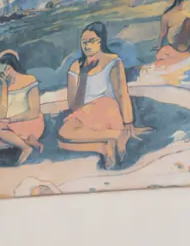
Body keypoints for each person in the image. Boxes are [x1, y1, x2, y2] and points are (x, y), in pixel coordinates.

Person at [60, 23, 147, 169]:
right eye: (84, 42)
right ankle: (104, 145)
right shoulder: (76, 66)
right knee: (62, 139)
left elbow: (122, 93)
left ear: (101, 41)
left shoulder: (112, 61)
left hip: (108, 110)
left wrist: (128, 122)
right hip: (85, 113)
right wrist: (83, 76)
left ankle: (115, 135)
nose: (87, 46)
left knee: (66, 135)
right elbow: (73, 106)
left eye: (92, 41)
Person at [0, 50, 45, 164]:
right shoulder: (0, 89)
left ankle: (26, 147)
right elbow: (1, 117)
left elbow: (34, 112)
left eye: (5, 69)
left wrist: (11, 120)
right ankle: (28, 142)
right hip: (10, 125)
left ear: (11, 67)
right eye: (0, 73)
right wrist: (4, 85)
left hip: (30, 122)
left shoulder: (29, 80)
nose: (4, 74)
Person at [157, 0, 190, 66]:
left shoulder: (167, 15)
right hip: (179, 43)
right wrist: (159, 46)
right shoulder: (170, 15)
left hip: (178, 43)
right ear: (179, 3)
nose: (184, 6)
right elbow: (163, 33)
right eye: (184, 4)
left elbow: (163, 33)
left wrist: (159, 46)